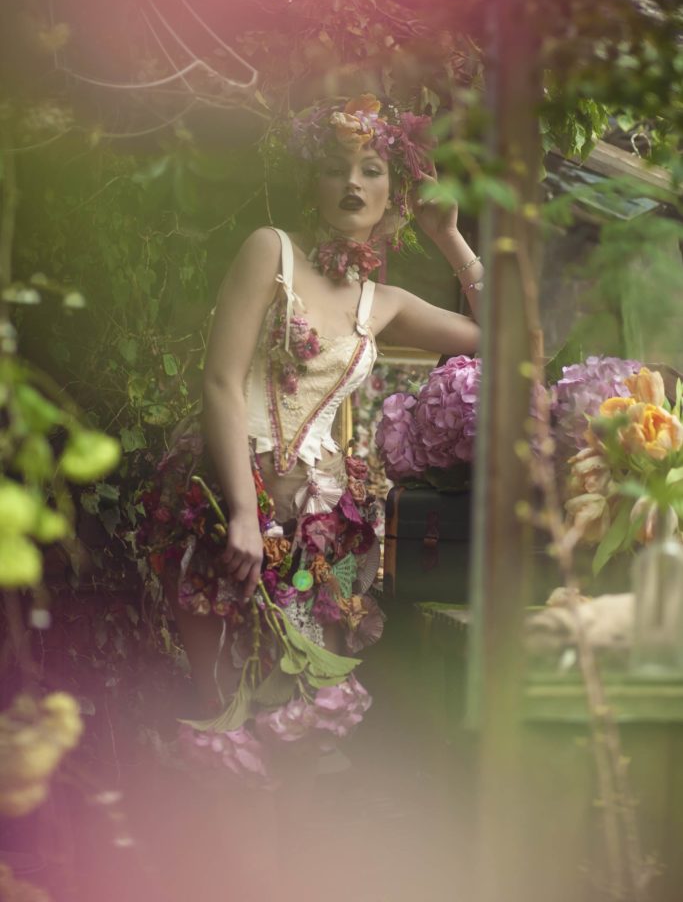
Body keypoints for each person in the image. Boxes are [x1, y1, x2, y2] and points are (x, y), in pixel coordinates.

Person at [146, 93, 483, 737]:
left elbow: (515, 341)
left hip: (313, 536)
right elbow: (219, 379)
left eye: (372, 168)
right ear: (313, 181)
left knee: (291, 718)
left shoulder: (383, 301)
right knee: (218, 710)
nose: (352, 182)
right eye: (335, 166)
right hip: (222, 512)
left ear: (398, 191)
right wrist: (244, 513)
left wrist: (450, 238)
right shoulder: (269, 250)